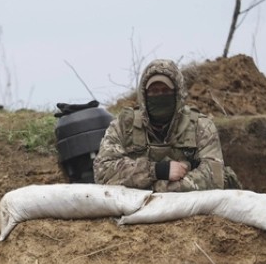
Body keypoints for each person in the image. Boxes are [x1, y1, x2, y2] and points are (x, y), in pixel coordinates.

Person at [93, 59, 226, 191]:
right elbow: (103, 171)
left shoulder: (200, 126)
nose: (160, 96)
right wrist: (157, 170)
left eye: (166, 91)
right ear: (144, 95)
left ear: (177, 94)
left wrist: (161, 189)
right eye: (154, 91)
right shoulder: (124, 126)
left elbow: (213, 177)